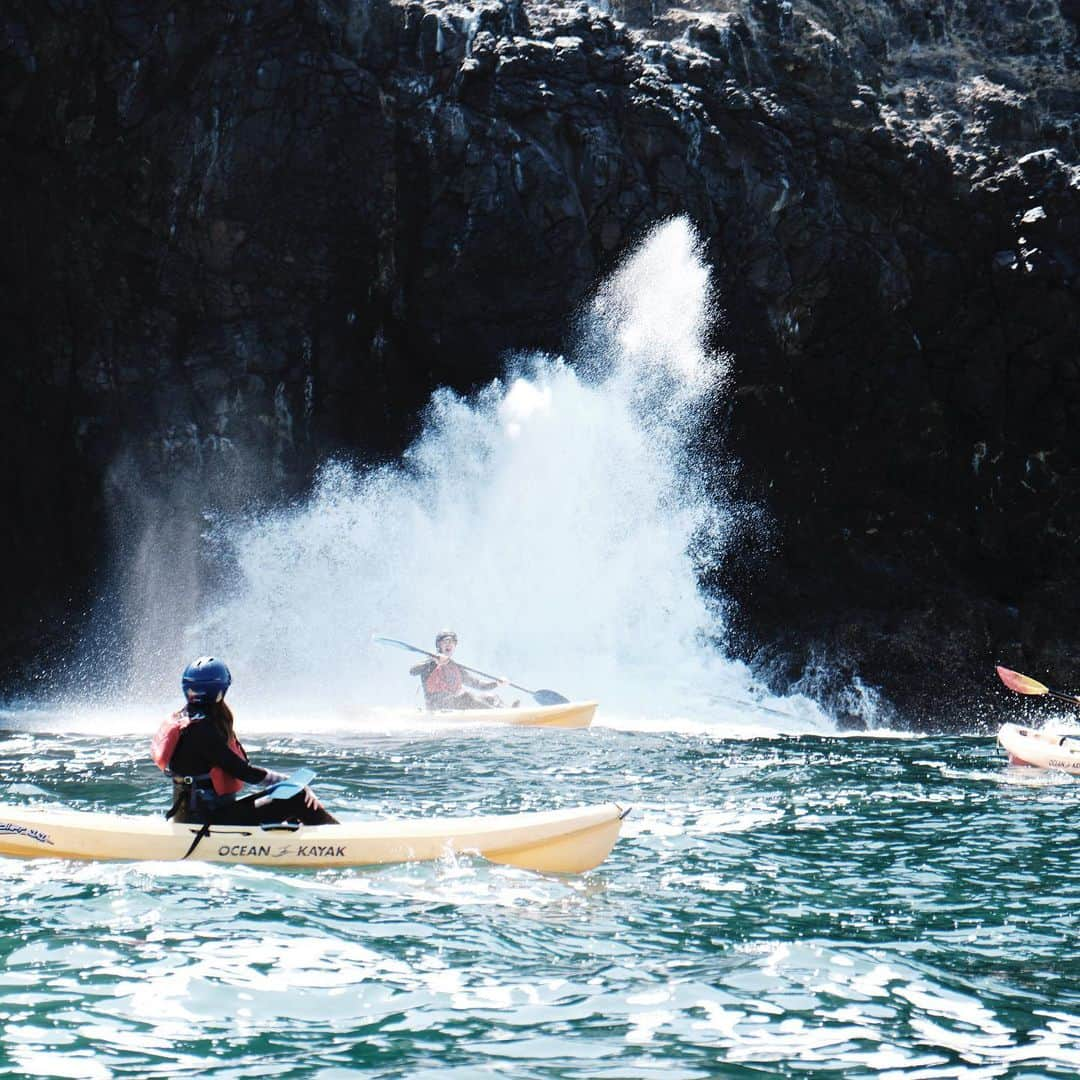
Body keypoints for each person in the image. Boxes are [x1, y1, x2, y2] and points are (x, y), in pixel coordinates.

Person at [152, 656, 337, 826]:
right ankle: (335, 840)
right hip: (208, 822)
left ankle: (302, 839)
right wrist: (294, 784)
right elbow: (244, 772)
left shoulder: (182, 719)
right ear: (221, 690)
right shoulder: (201, 730)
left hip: (190, 817)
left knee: (290, 795)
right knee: (296, 797)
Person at [410, 630, 508, 710]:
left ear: (455, 646)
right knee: (466, 696)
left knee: (490, 697)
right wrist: (435, 661)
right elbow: (413, 671)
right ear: (439, 646)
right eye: (445, 642)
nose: (449, 644)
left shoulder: (456, 667)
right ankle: (497, 713)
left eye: (451, 642)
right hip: (437, 706)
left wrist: (497, 683)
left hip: (455, 703)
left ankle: (509, 710)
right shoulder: (430, 662)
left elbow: (477, 684)